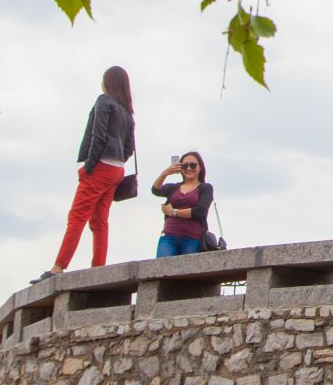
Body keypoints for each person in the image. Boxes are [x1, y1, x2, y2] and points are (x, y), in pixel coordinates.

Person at [37, 66, 136, 281]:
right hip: (117, 169)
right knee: (99, 220)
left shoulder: (104, 101)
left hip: (100, 167)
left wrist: (89, 166)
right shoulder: (127, 113)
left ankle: (58, 268)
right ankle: (98, 269)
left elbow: (97, 136)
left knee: (77, 216)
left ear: (107, 82)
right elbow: (129, 148)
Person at [151, 152, 214, 257]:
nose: (189, 168)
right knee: (162, 270)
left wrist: (173, 212)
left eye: (193, 165)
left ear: (201, 167)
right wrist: (165, 173)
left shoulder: (205, 188)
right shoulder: (174, 188)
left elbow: (200, 211)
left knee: (187, 272)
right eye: (184, 165)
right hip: (169, 236)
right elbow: (155, 190)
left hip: (192, 238)